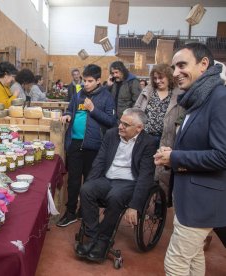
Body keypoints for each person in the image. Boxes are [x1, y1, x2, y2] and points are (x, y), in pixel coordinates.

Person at [154, 43, 226, 275]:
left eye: (182, 65)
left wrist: (175, 157)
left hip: (202, 201)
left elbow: (222, 155)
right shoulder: (198, 97)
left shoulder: (219, 98)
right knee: (194, 257)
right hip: (191, 198)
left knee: (175, 263)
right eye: (174, 67)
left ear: (204, 64)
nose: (175, 73)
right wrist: (173, 153)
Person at [76, 108, 156, 262]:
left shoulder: (148, 143)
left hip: (129, 182)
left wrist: (135, 206)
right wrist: (90, 181)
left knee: (115, 196)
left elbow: (146, 177)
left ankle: (104, 240)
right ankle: (93, 237)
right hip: (108, 177)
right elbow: (99, 162)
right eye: (121, 122)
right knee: (86, 189)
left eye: (126, 125)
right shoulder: (111, 134)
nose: (120, 126)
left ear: (139, 128)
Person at [56, 64, 117, 227]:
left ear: (98, 80)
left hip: (94, 146)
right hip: (75, 143)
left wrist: (93, 109)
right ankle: (70, 213)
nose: (86, 84)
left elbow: (112, 122)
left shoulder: (107, 97)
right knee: (73, 181)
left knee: (89, 182)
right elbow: (69, 109)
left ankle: (85, 211)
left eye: (90, 81)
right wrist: (68, 115)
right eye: (84, 80)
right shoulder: (78, 94)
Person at [134, 64, 185, 201]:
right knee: (144, 171)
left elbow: (182, 116)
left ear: (169, 77)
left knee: (162, 175)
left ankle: (159, 206)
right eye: (155, 78)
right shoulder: (148, 90)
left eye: (161, 78)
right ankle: (141, 202)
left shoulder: (178, 94)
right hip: (146, 138)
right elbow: (137, 110)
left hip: (166, 139)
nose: (158, 81)